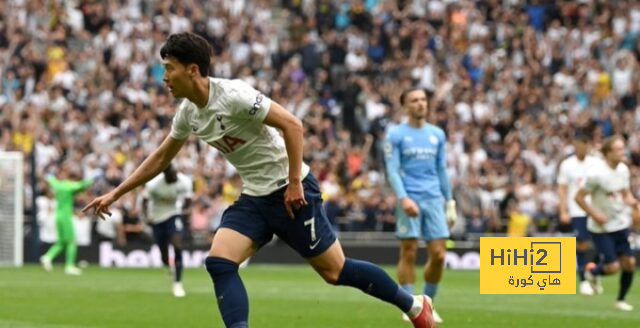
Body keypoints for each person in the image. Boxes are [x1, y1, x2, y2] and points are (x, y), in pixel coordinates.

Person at [82, 32, 436, 328]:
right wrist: (115, 194)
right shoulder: (188, 113)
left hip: (291, 190)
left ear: (192, 71)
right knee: (219, 262)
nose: (164, 77)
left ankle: (415, 306)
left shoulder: (233, 95)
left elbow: (293, 125)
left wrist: (295, 182)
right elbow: (161, 157)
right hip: (255, 196)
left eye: (169, 69)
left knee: (335, 272)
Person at [384, 88, 457, 324]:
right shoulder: (395, 134)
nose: (420, 104)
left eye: (423, 99)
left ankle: (428, 303)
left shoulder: (437, 134)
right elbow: (392, 169)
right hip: (410, 198)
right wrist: (403, 198)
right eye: (414, 100)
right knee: (410, 251)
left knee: (438, 254)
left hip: (434, 199)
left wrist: (450, 201)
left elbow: (442, 169)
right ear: (405, 105)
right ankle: (409, 304)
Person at [575, 135, 638, 311]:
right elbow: (579, 198)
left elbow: (625, 193)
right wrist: (595, 214)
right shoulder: (597, 174)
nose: (622, 152)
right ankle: (591, 272)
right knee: (613, 268)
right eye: (618, 149)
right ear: (608, 153)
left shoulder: (623, 170)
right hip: (601, 228)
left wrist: (633, 202)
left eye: (622, 148)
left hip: (620, 224)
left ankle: (620, 300)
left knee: (629, 264)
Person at [556, 131, 599, 295]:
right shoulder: (567, 164)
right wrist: (563, 210)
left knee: (599, 244)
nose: (580, 148)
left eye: (583, 145)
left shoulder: (596, 163)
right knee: (581, 244)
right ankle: (583, 280)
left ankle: (594, 272)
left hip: (595, 209)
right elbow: (562, 189)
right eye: (577, 145)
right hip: (577, 210)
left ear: (588, 145)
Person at [141, 163, 193, 298]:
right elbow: (145, 201)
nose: (175, 177)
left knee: (177, 246)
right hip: (157, 218)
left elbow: (188, 200)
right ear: (165, 176)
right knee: (163, 253)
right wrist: (147, 217)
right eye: (171, 176)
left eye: (176, 174)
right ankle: (168, 266)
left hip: (174, 214)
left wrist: (186, 213)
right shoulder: (153, 185)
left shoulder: (185, 181)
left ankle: (177, 283)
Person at [40, 162, 93, 275]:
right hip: (65, 216)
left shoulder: (58, 185)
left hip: (57, 215)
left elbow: (50, 179)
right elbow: (83, 185)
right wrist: (94, 177)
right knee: (71, 241)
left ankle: (47, 257)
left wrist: (49, 176)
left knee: (62, 241)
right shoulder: (69, 186)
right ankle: (69, 266)